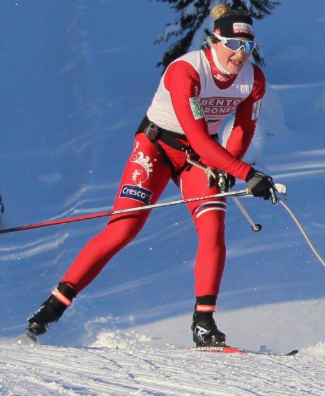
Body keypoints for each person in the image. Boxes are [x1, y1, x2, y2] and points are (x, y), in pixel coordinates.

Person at [25, 5, 275, 347]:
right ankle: (53, 307)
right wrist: (244, 172)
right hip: (157, 147)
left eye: (248, 46)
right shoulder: (186, 71)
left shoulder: (253, 79)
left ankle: (204, 323)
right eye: (233, 45)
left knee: (213, 227)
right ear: (215, 41)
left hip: (201, 158)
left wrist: (227, 165)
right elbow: (197, 136)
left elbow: (243, 128)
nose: (240, 54)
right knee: (123, 228)